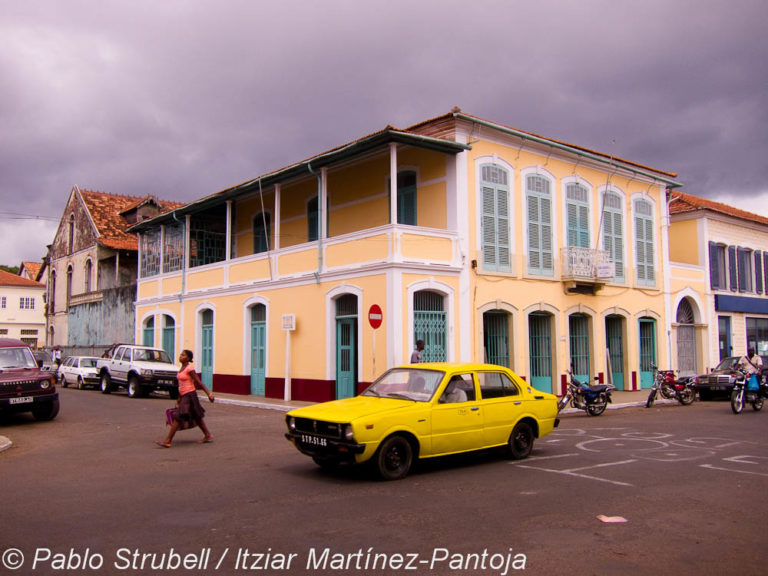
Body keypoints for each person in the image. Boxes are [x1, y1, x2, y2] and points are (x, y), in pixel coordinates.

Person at [155, 349, 214, 447]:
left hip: (190, 394)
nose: (180, 356)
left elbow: (198, 382)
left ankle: (167, 440)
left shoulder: (189, 369)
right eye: (181, 355)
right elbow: (181, 384)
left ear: (188, 358)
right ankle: (208, 435)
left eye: (183, 355)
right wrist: (179, 397)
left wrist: (209, 394)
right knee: (196, 416)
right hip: (184, 395)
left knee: (178, 417)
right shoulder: (181, 368)